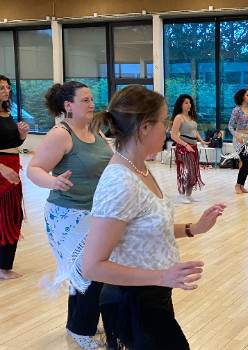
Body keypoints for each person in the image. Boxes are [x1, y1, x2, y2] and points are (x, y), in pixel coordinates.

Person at [81, 85, 225, 349]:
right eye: (163, 121)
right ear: (144, 127)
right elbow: (92, 266)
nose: (167, 128)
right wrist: (161, 276)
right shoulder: (120, 181)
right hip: (132, 300)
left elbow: (145, 229)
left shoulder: (139, 168)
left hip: (151, 294)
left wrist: (195, 228)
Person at [27, 81, 112, 349]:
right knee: (92, 272)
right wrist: (53, 182)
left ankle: (78, 323)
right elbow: (34, 168)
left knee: (88, 273)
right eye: (85, 100)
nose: (91, 104)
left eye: (91, 100)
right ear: (68, 106)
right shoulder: (60, 134)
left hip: (95, 213)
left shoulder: (95, 131)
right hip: (67, 215)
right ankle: (80, 330)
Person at [0, 75, 28, 280]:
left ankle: (4, 265)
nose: (5, 90)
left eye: (7, 87)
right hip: (2, 169)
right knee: (4, 218)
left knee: (13, 217)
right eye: (1, 87)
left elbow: (13, 144)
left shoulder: (6, 113)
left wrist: (21, 135)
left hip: (12, 167)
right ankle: (2, 267)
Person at [170, 94, 206, 203]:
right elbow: (173, 135)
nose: (189, 104)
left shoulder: (191, 117)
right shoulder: (178, 117)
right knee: (186, 172)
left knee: (193, 172)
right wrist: (186, 145)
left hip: (193, 148)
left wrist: (201, 140)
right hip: (183, 148)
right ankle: (182, 195)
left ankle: (188, 195)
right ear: (180, 104)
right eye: (186, 102)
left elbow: (194, 131)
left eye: (190, 102)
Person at [228, 88, 248, 194]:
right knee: (245, 162)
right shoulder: (236, 110)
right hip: (240, 138)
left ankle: (242, 185)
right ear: (242, 96)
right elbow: (230, 126)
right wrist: (236, 135)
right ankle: (237, 185)